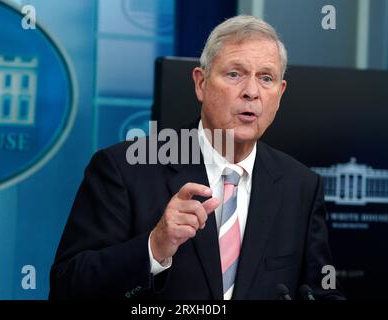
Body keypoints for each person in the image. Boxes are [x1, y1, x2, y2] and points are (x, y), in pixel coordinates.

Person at [49, 15, 344, 300]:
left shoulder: (301, 186)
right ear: (200, 83)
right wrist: (155, 246)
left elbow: (318, 291)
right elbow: (67, 287)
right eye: (234, 74)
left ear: (279, 95)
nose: (251, 92)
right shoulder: (126, 167)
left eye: (266, 78)